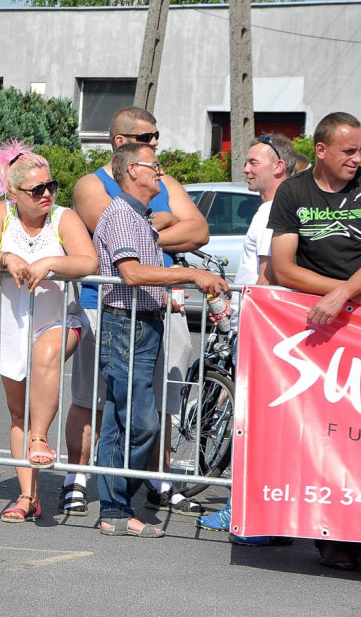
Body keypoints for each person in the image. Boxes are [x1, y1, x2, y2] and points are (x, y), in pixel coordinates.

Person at [64, 106, 209, 517]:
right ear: (121, 143)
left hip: (161, 302)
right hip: (105, 304)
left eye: (156, 136)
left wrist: (148, 227)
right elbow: (110, 227)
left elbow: (199, 230)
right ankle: (77, 478)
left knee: (160, 393)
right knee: (93, 396)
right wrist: (159, 224)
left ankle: (158, 478)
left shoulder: (162, 179)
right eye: (148, 138)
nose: (156, 144)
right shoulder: (92, 184)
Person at [268, 112, 361, 575]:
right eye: (348, 151)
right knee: (323, 435)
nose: (358, 159)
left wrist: (345, 293)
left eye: (360, 150)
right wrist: (341, 293)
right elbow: (283, 268)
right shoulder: (294, 193)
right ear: (320, 151)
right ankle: (328, 539)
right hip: (318, 335)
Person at [92, 142, 227, 538]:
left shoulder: (140, 217)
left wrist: (165, 294)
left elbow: (142, 273)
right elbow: (131, 274)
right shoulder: (119, 215)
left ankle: (116, 508)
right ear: (132, 170)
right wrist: (190, 277)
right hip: (126, 325)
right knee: (139, 421)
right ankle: (116, 505)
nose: (160, 173)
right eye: (154, 166)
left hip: (140, 322)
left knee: (124, 418)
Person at [0, 140, 98, 522]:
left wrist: (51, 262)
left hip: (60, 319)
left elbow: (87, 260)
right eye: (37, 189)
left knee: (45, 353)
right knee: (16, 412)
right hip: (11, 323)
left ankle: (40, 438)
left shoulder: (63, 217)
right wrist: (6, 257)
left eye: (51, 186)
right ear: (13, 192)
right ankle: (28, 496)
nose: (47, 194)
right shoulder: (2, 213)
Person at [195, 133, 300, 544]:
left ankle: (247, 513)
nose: (245, 168)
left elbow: (268, 275)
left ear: (279, 166)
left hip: (261, 330)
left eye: (253, 162)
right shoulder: (276, 208)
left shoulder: (274, 210)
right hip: (262, 328)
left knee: (252, 424)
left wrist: (247, 322)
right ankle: (265, 513)